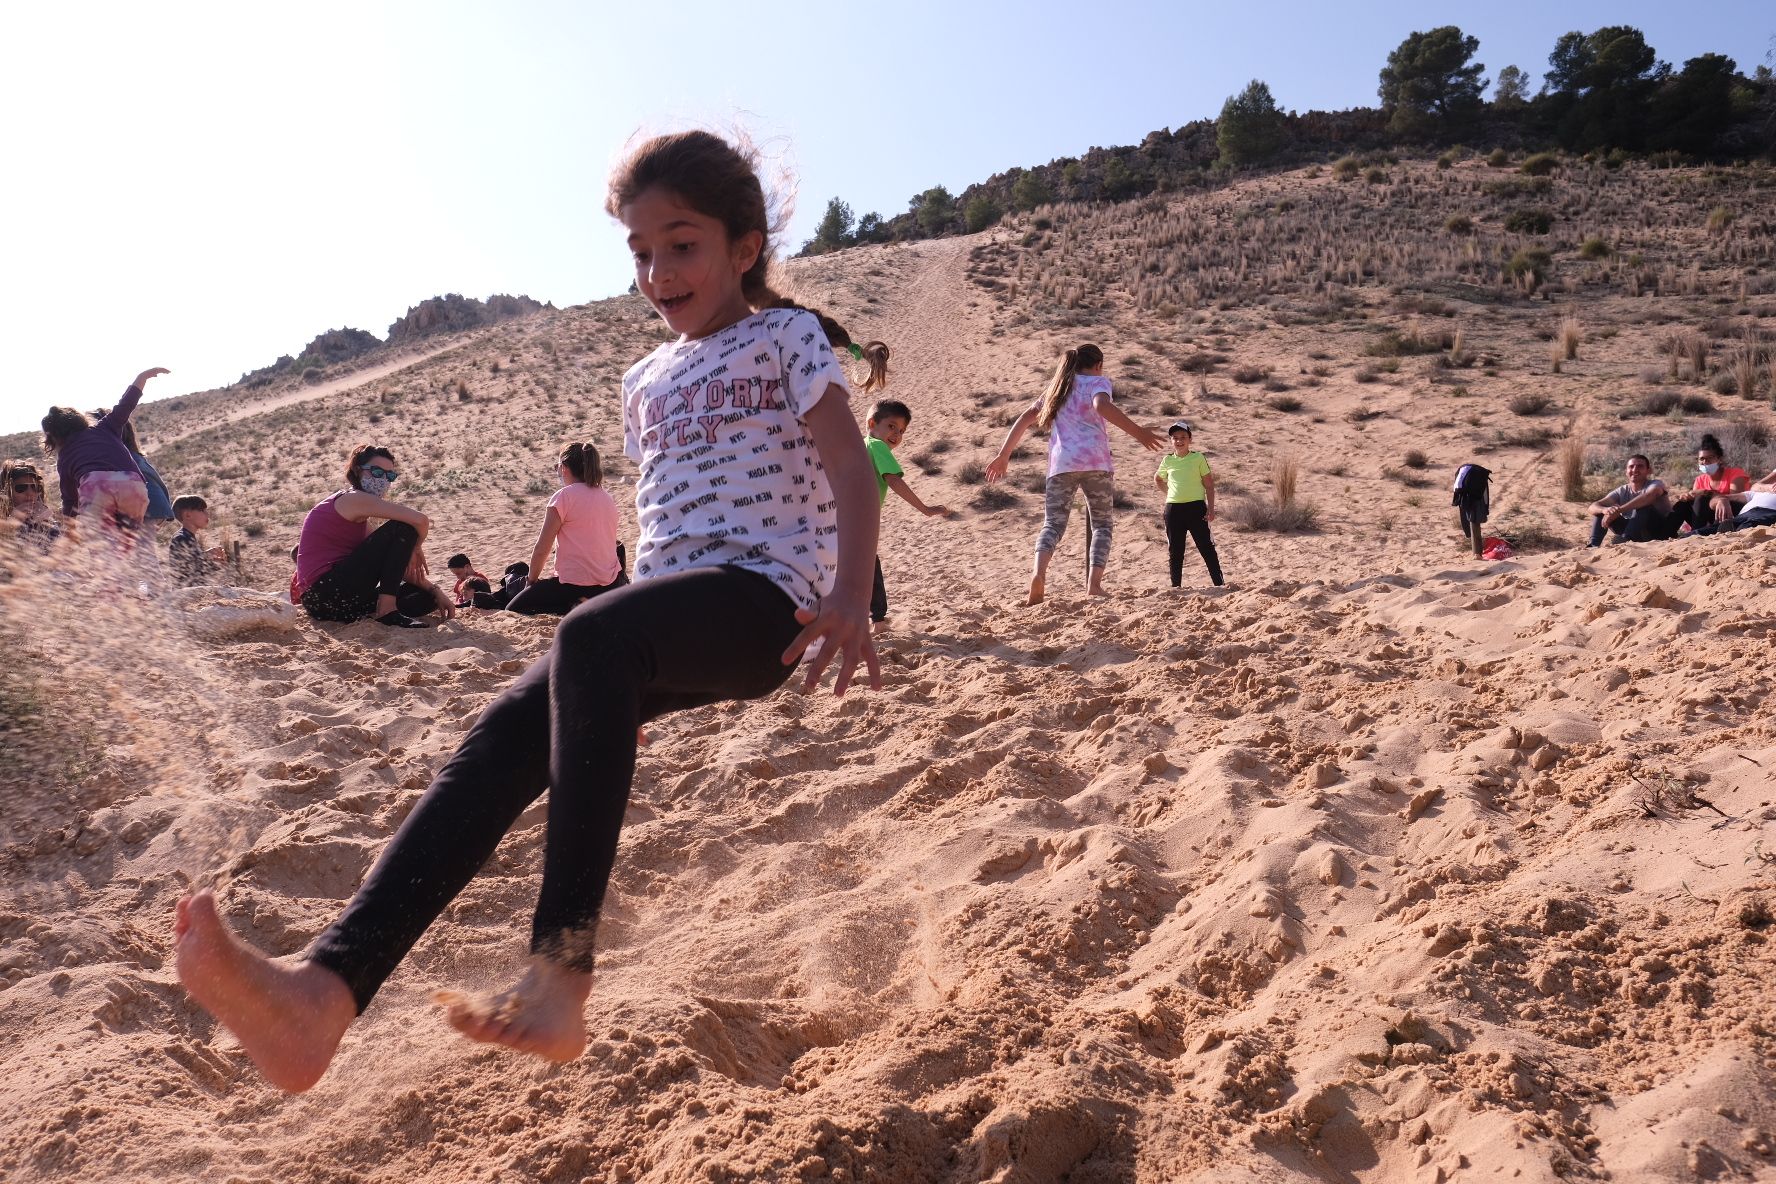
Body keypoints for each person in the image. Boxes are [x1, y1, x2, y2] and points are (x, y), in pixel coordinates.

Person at [173, 128, 885, 1092]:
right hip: (665, 610)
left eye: (682, 244)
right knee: (510, 726)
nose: (658, 270)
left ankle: (560, 973)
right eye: (638, 251)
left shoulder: (787, 336)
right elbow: (677, 509)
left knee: (589, 630)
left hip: (772, 604)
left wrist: (850, 594)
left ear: (743, 245)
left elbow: (850, 465)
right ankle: (321, 999)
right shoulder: (644, 379)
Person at [984, 343, 1164, 603]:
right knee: (1102, 525)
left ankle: (1039, 574)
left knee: (1053, 525)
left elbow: (1026, 417)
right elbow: (1101, 406)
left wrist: (1004, 455)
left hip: (1061, 465)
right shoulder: (1097, 383)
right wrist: (1139, 433)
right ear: (1099, 365)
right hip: (1096, 463)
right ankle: (1094, 585)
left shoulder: (1058, 388)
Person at [289, 444, 455, 628]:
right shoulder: (352, 499)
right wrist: (416, 547)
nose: (383, 480)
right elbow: (421, 520)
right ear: (358, 470)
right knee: (404, 527)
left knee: (427, 597)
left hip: (332, 603)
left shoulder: (359, 519)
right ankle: (387, 610)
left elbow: (391, 561)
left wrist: (435, 590)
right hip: (323, 592)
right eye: (377, 472)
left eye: (389, 476)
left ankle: (373, 614)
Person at [41, 367, 169, 536]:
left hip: (97, 488)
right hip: (133, 485)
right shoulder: (106, 426)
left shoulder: (64, 456)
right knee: (130, 541)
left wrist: (69, 529)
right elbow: (126, 405)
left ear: (52, 438)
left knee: (101, 547)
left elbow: (70, 499)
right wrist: (141, 378)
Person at [504, 442, 626, 617]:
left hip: (572, 585)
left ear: (565, 468)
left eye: (558, 467)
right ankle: (584, 604)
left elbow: (541, 549)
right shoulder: (607, 497)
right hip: (609, 584)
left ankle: (577, 605)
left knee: (513, 609)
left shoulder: (563, 497)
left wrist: (531, 582)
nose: (558, 472)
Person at [864, 397, 951, 631]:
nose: (897, 434)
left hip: (837, 517)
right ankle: (879, 621)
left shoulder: (860, 445)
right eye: (891, 426)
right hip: (859, 520)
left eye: (902, 430)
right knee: (870, 568)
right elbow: (893, 479)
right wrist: (925, 508)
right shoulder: (877, 446)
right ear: (872, 424)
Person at [1153, 420, 1223, 588]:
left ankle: (1219, 584)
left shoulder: (1198, 458)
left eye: (1183, 437)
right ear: (1171, 441)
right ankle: (1176, 587)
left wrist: (1211, 509)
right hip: (1173, 510)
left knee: (1206, 548)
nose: (1179, 441)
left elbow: (1209, 485)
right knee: (1175, 551)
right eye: (1175, 438)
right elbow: (1158, 479)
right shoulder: (1167, 460)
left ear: (1190, 439)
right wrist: (1169, 494)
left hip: (1196, 508)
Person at [1587, 454, 1675, 546]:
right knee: (1601, 511)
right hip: (1636, 533)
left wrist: (1619, 510)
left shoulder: (1656, 484)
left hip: (1659, 532)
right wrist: (1605, 510)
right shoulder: (1622, 490)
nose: (1635, 470)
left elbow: (1648, 496)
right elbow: (1592, 507)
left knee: (1644, 507)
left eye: (1640, 466)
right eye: (1631, 466)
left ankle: (1625, 539)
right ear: (1626, 471)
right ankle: (1593, 545)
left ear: (1649, 471)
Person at [1670, 433, 1750, 533]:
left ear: (1719, 459)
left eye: (1709, 458)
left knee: (1701, 498)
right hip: (1708, 517)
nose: (1705, 462)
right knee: (1682, 505)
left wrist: (1706, 492)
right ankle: (1667, 535)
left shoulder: (1735, 473)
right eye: (1701, 459)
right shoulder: (1700, 480)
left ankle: (1696, 533)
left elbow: (1736, 498)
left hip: (1732, 513)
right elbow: (1697, 506)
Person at [1694, 467, 1776, 534]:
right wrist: (1722, 500)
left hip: (1768, 514)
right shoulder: (1760, 493)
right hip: (1743, 515)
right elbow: (1754, 487)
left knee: (1749, 526)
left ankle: (1733, 532)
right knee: (1702, 532)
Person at [167, 495, 227, 585]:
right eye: (201, 510)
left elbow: (197, 570)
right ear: (187, 515)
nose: (207, 514)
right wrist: (207, 555)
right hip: (185, 595)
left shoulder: (189, 537)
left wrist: (216, 564)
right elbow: (184, 569)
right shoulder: (180, 538)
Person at [1, 460, 61, 549]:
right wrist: (10, 525)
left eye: (35, 487)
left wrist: (48, 524)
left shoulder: (46, 518)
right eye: (21, 488)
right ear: (5, 492)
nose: (30, 493)